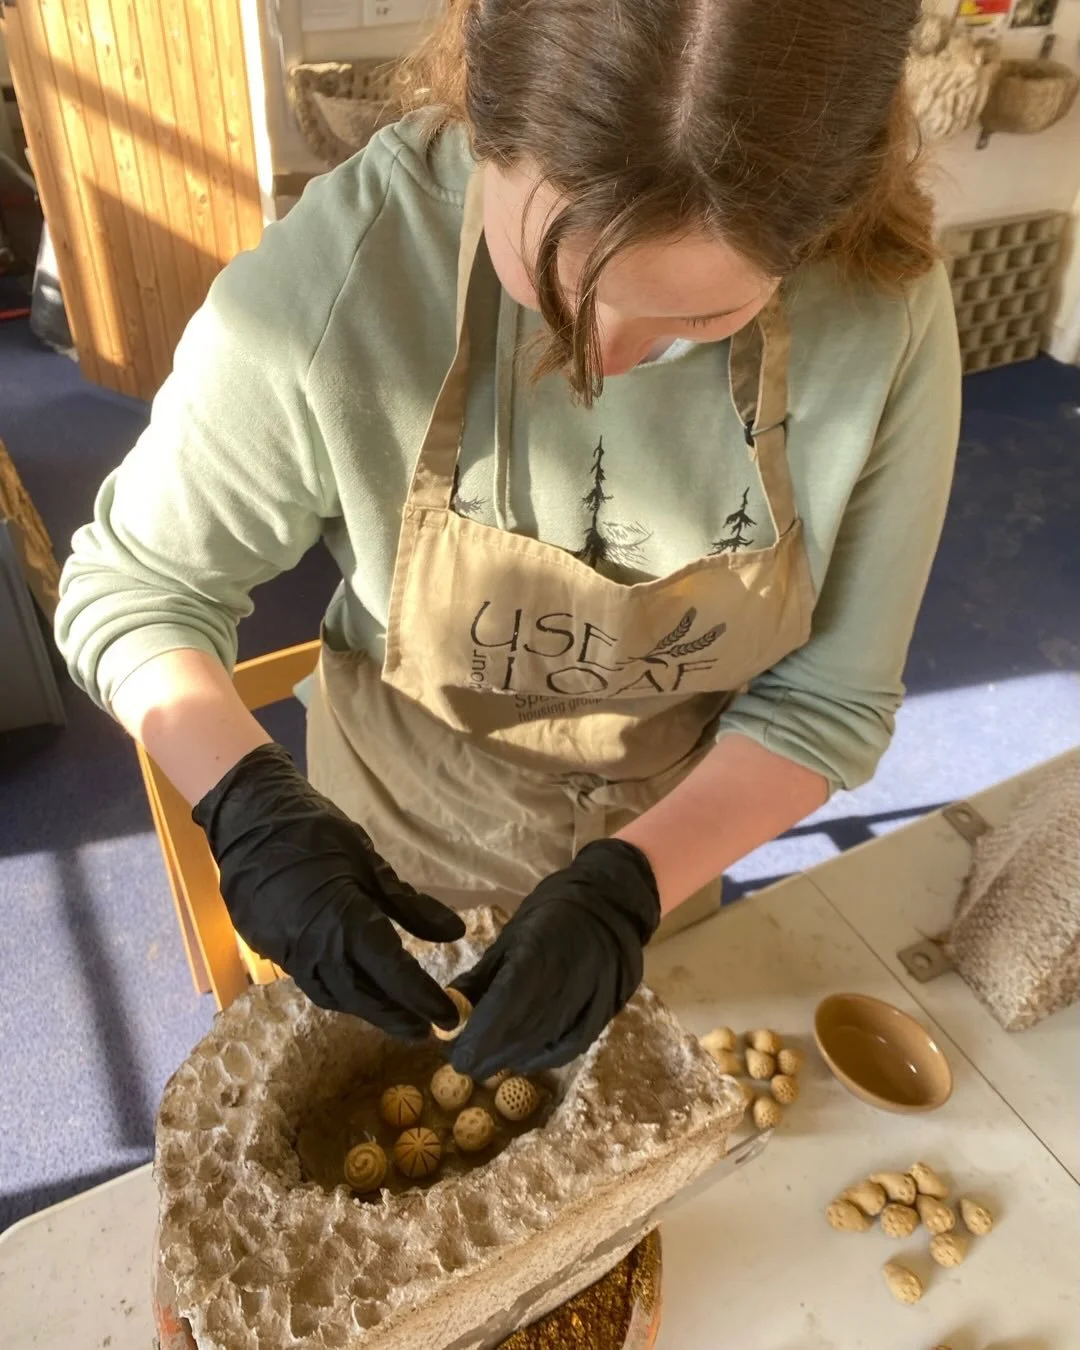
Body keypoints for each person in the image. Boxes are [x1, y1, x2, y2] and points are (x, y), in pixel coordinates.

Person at [56, 0, 960, 1082]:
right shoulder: (344, 278)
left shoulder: (883, 309)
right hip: (395, 855)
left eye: (698, 321)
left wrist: (630, 887)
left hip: (678, 836)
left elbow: (827, 701)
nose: (605, 361)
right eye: (554, 285)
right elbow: (135, 586)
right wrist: (247, 804)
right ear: (483, 110)